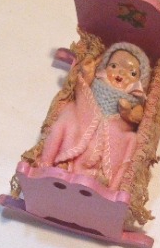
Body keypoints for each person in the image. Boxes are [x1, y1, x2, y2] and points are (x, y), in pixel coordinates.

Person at [38, 42, 151, 190]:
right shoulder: (98, 81)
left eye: (132, 73)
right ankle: (64, 161)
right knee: (70, 119)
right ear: (105, 67)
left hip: (115, 130)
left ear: (140, 82)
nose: (121, 73)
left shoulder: (136, 99)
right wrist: (87, 73)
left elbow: (138, 116)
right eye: (114, 66)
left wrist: (128, 113)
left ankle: (100, 176)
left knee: (128, 141)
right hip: (86, 117)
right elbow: (83, 88)